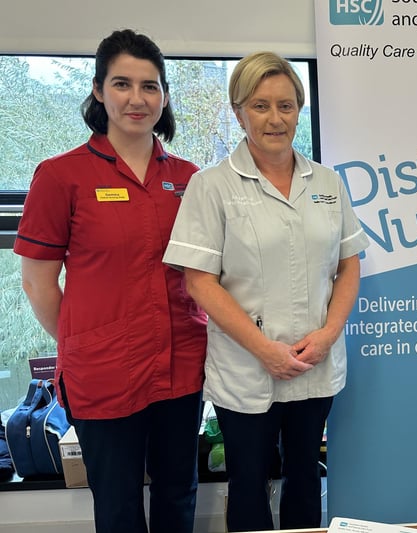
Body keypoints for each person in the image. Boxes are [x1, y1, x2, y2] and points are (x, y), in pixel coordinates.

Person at [163, 51, 369, 532]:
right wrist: (264, 351)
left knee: (304, 476)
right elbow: (198, 280)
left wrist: (328, 335)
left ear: (300, 109)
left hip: (314, 362)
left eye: (286, 105)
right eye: (260, 106)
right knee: (249, 482)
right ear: (238, 112)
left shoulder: (328, 183)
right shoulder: (210, 186)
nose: (275, 119)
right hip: (246, 367)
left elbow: (349, 265)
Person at [14, 29, 207, 533]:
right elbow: (37, 283)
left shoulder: (189, 177)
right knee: (118, 507)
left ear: (164, 96)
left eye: (150, 86)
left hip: (180, 364)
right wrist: (85, 343)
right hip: (103, 373)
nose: (137, 99)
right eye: (122, 84)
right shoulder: (61, 176)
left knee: (178, 496)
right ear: (99, 90)